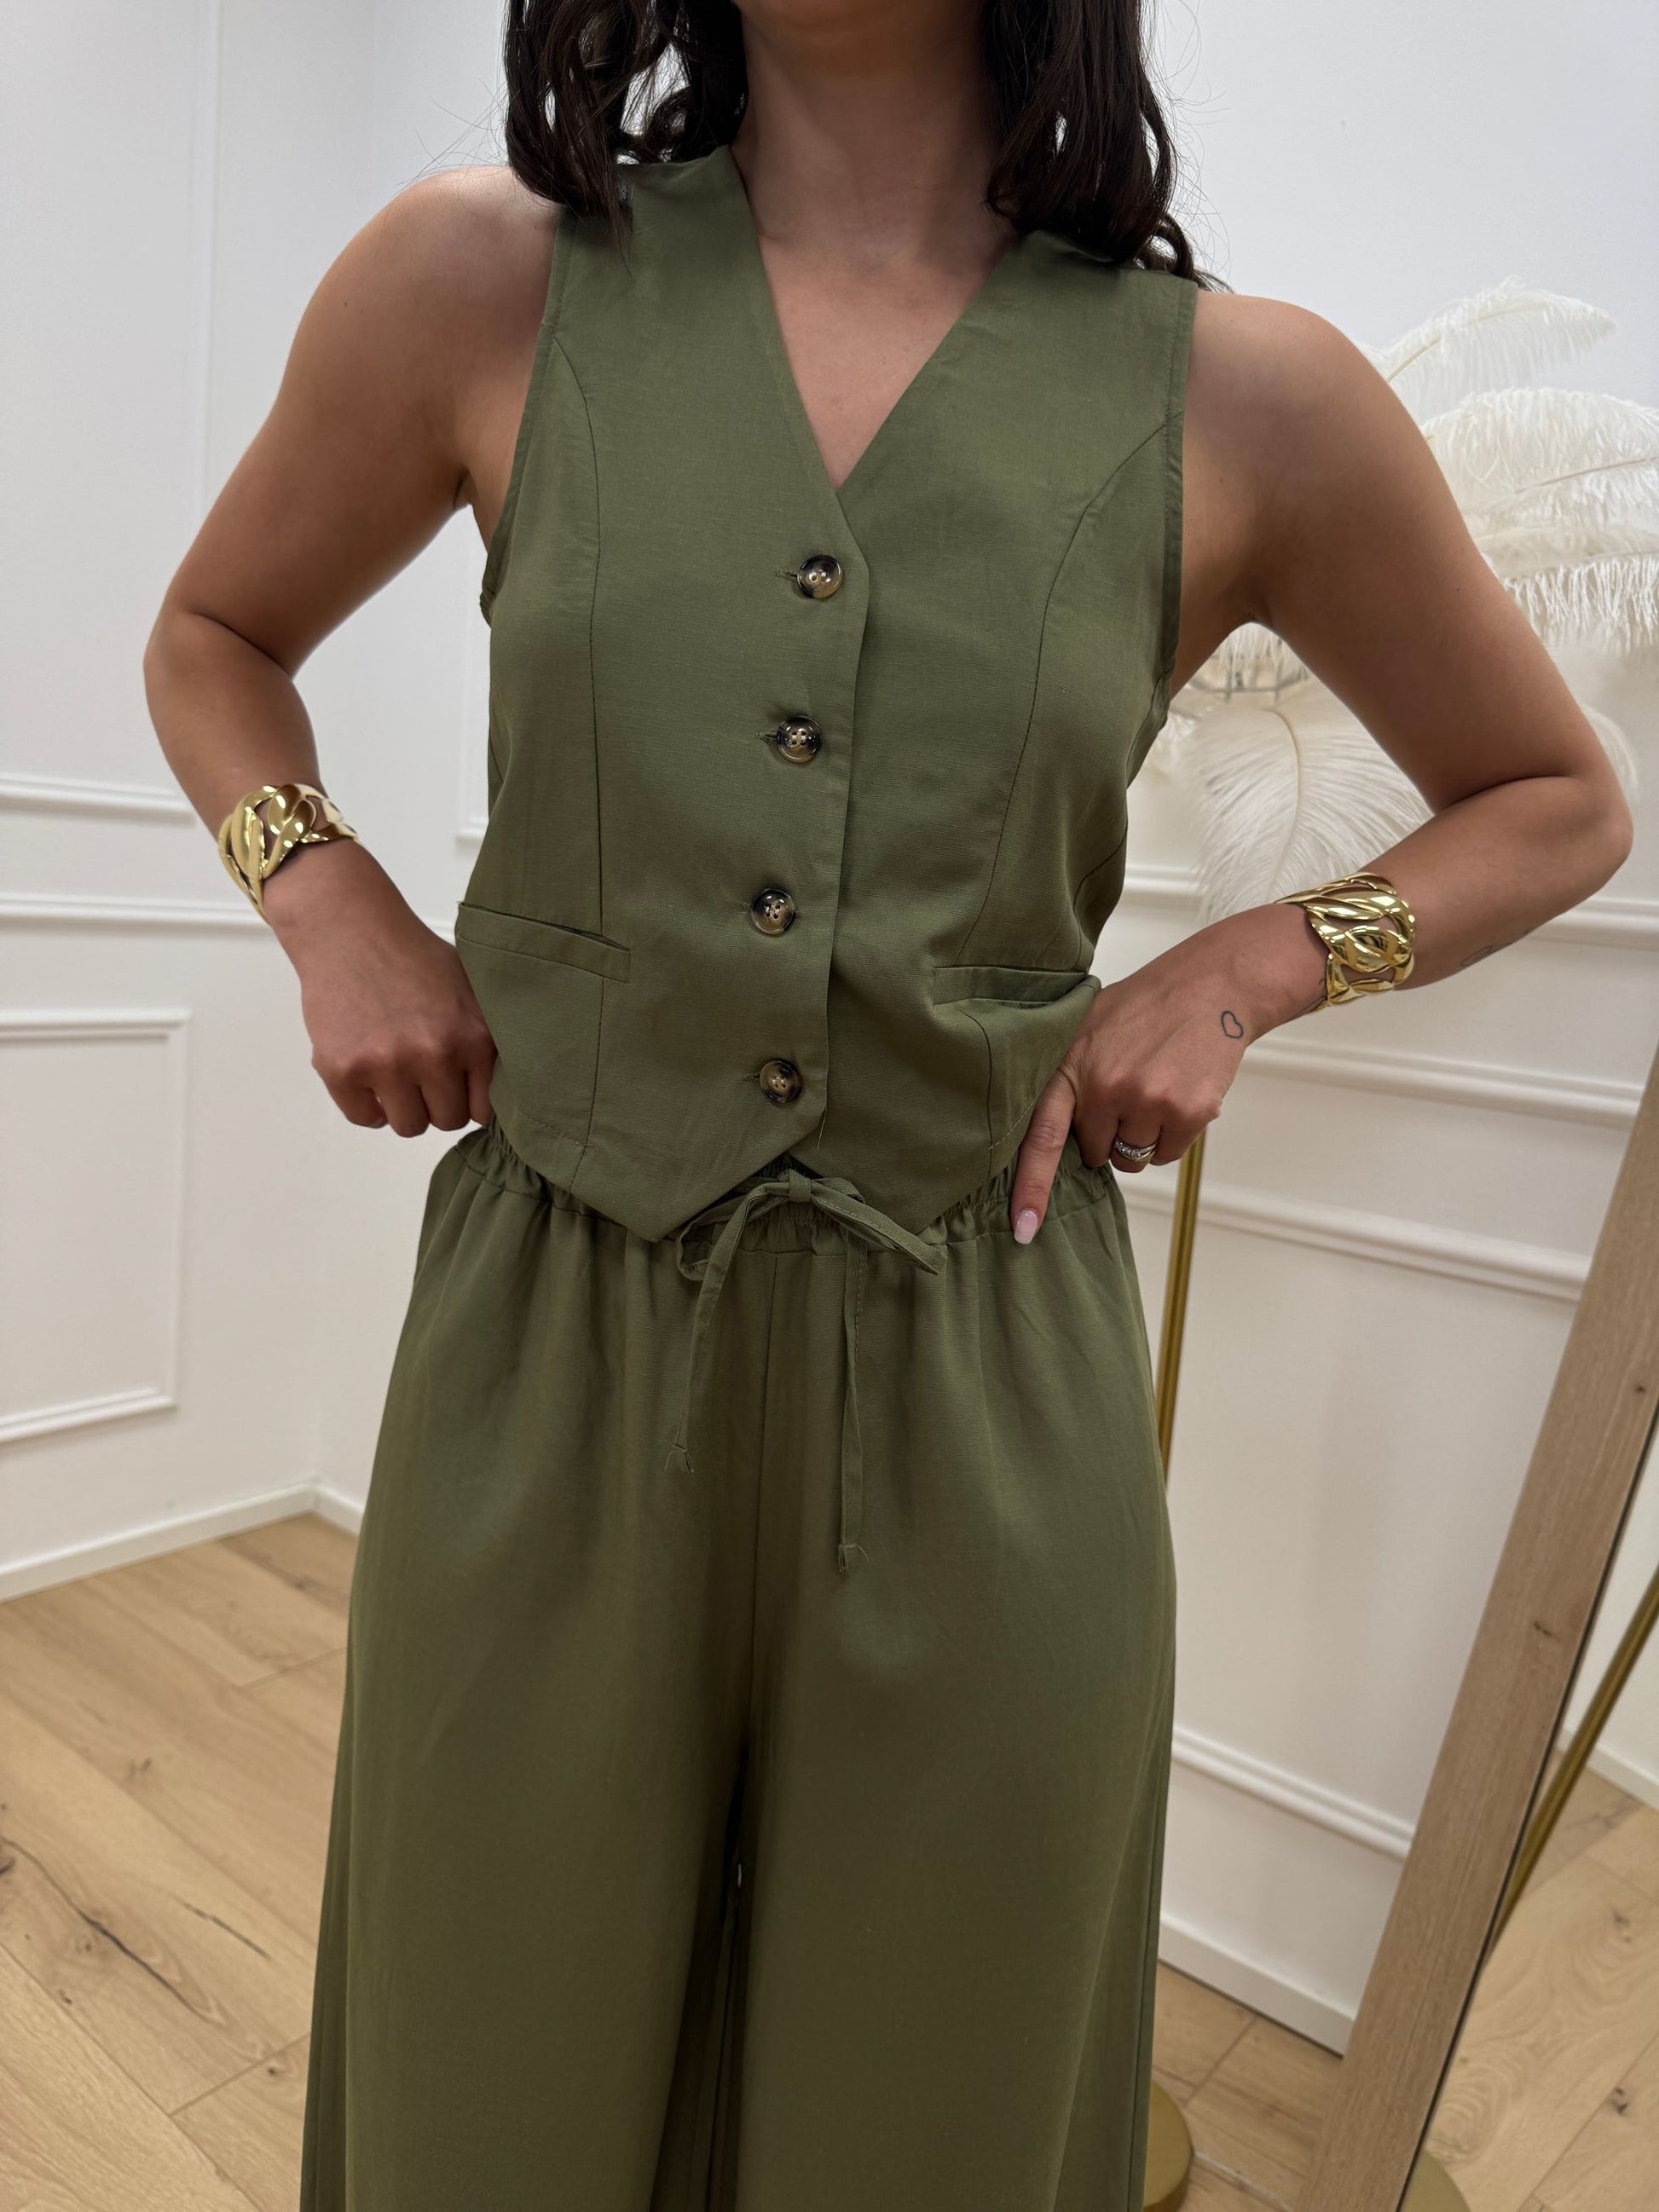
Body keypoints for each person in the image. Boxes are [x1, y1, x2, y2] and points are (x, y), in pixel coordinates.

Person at [143, 3, 1633, 2206]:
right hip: (552, 1353)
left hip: (985, 1375)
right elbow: (213, 631)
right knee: (485, 2080)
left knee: (933, 2111)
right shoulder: (479, 279)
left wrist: (1250, 965)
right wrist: (323, 894)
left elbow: (1552, 798)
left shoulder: (1249, 393)